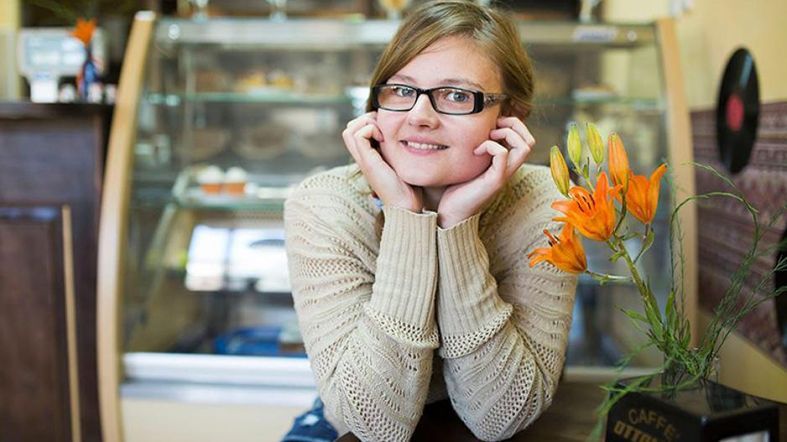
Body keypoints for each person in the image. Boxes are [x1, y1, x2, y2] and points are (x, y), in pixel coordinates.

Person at [282, 1, 578, 440]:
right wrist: (406, 218)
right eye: (401, 91)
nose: (419, 117)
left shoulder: (547, 203)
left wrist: (456, 226)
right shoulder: (325, 204)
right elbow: (373, 427)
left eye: (457, 96)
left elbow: (502, 419)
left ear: (510, 116)